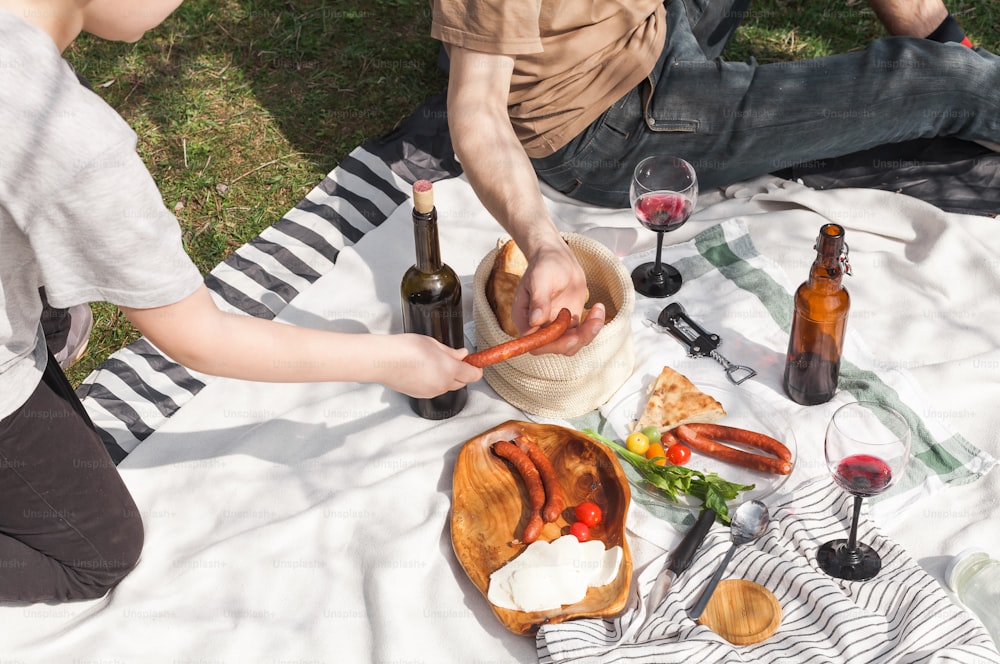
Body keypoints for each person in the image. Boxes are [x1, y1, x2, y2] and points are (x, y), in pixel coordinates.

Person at [0, 0, 482, 603]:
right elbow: (198, 337)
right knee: (98, 553)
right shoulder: (69, 142)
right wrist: (391, 359)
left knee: (61, 313)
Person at [433, 0, 1000, 351]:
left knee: (952, 74)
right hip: (605, 127)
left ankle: (952, 51)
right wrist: (544, 243)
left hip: (649, 29)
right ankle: (965, 76)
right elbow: (477, 111)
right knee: (944, 83)